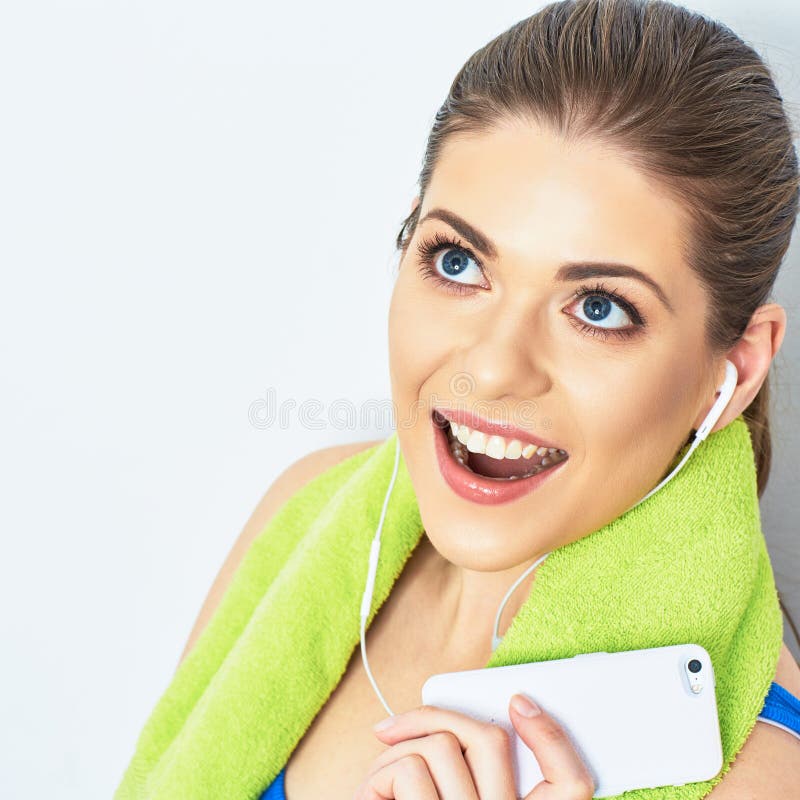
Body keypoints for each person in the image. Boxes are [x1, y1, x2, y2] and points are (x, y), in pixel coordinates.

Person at [179, 1, 800, 797]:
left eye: (600, 307)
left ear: (736, 369)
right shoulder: (302, 510)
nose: (497, 365)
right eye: (460, 261)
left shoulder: (758, 777)